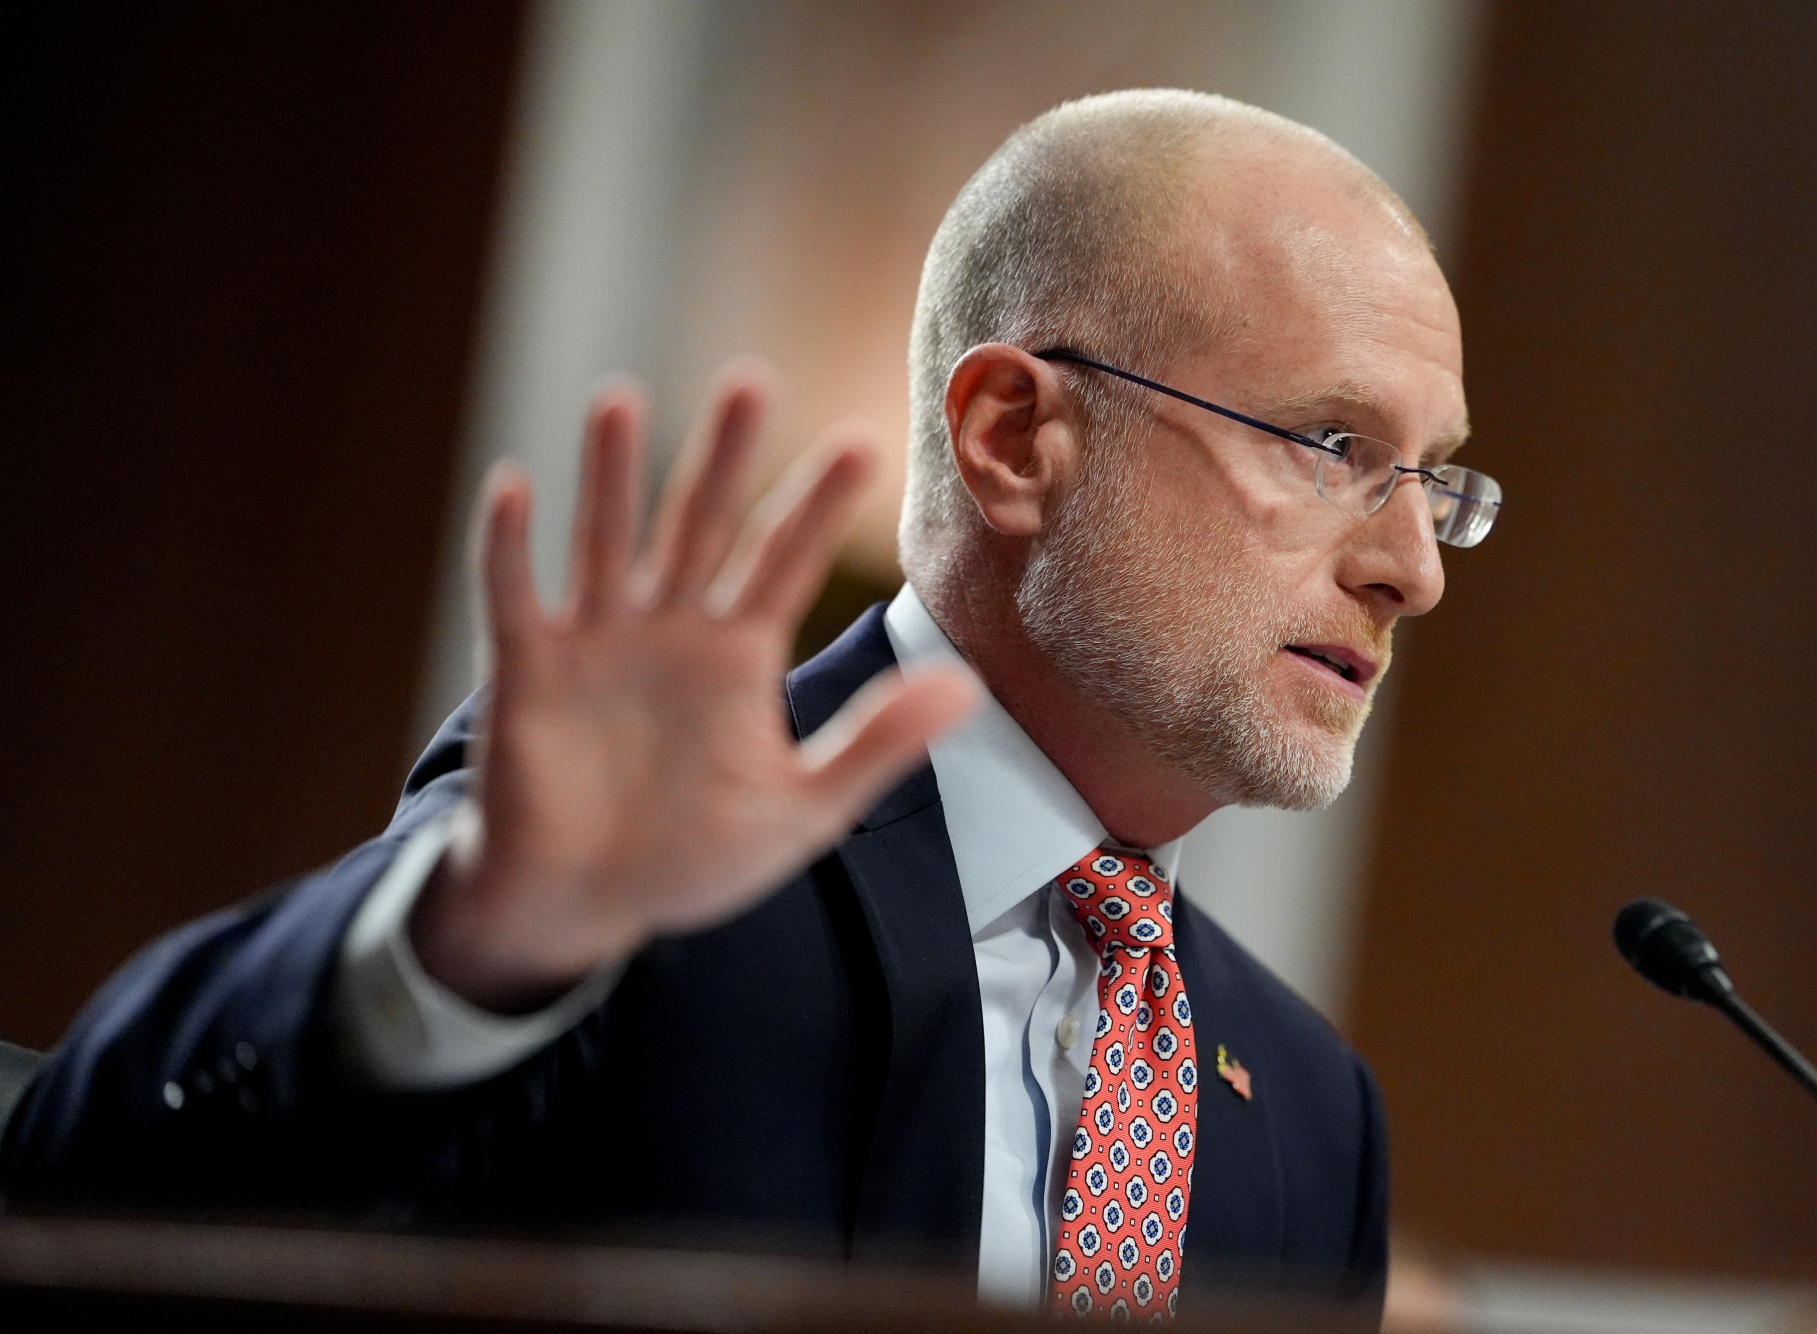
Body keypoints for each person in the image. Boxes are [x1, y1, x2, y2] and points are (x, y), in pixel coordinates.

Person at [0, 89, 1494, 1321]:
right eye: (1330, 441)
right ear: (1015, 438)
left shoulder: (1308, 1113)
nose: (1413, 570)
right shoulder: (634, 862)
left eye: (1437, 483)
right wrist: (472, 945)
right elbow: (87, 1196)